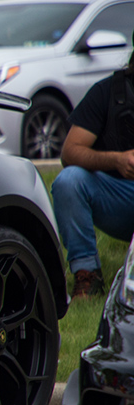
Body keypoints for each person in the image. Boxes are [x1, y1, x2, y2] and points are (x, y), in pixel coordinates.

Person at [51, 68, 134, 298]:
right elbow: (69, 153)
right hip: (120, 197)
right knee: (69, 181)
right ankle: (88, 276)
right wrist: (116, 160)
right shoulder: (107, 91)